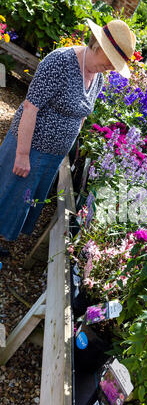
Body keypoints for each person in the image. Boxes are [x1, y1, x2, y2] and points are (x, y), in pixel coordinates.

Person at [0, 18, 136, 256]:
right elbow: (31, 107)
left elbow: (82, 114)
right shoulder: (61, 61)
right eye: (111, 61)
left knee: (22, 201)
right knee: (7, 195)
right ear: (99, 47)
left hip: (53, 155)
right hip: (30, 147)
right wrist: (22, 154)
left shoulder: (98, 77)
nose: (112, 68)